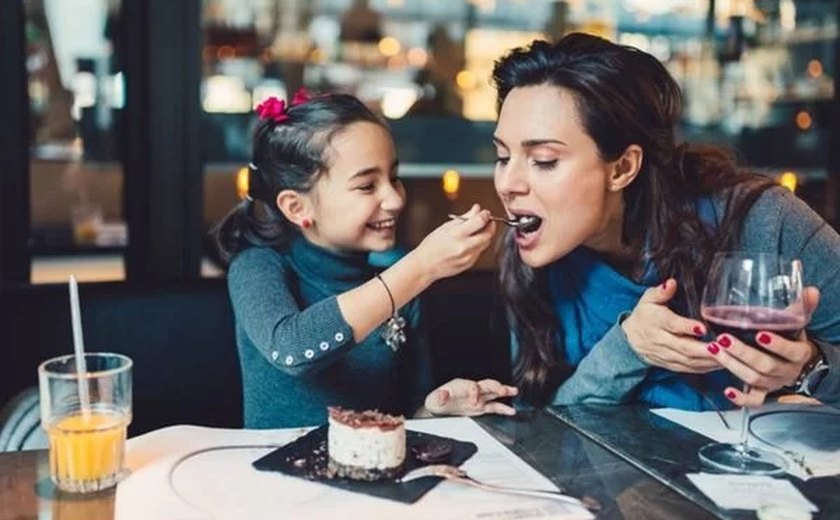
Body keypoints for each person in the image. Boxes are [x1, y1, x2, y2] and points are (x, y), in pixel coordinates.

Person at [491, 33, 840, 411]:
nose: (508, 184)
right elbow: (542, 426)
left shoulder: (761, 221)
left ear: (623, 167)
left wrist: (811, 368)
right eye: (502, 157)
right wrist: (628, 348)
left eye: (543, 160)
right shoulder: (531, 255)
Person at [214, 91, 517, 428]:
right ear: (297, 207)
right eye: (367, 185)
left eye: (394, 178)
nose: (395, 199)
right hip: (274, 476)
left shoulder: (403, 284)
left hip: (375, 474)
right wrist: (420, 267)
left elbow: (405, 417)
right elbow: (293, 350)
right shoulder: (258, 266)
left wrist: (434, 410)